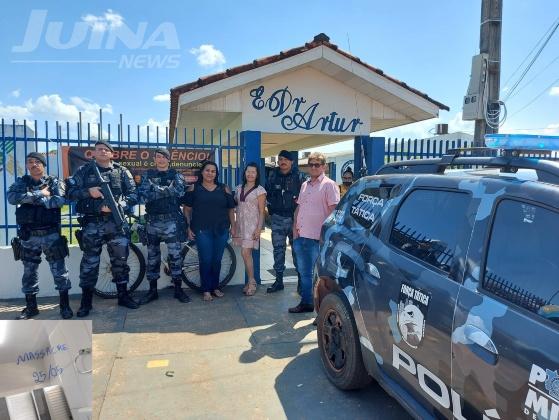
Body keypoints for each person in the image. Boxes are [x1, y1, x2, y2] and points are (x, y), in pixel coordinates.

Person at [66, 140, 139, 316]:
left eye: (106, 150)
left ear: (112, 154)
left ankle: (123, 296)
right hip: (92, 224)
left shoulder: (122, 171)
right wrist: (88, 192)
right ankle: (86, 302)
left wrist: (120, 204)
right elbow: (69, 192)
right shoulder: (84, 171)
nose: (103, 152)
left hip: (116, 223)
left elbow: (133, 194)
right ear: (94, 153)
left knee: (120, 261)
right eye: (99, 150)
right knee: (90, 263)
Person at [8, 152, 72, 320]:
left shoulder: (54, 182)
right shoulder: (22, 182)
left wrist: (30, 199)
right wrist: (40, 195)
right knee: (29, 272)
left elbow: (59, 201)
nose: (34, 165)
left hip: (51, 234)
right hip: (29, 236)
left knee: (60, 271)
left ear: (43, 165)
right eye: (30, 162)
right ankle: (31, 307)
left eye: (37, 162)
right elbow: (12, 198)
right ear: (27, 166)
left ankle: (64, 306)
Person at [137, 147, 190, 305]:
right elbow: (144, 195)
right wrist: (168, 190)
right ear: (155, 159)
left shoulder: (177, 175)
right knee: (152, 257)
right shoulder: (148, 175)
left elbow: (180, 192)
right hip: (152, 221)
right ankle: (152, 291)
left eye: (163, 157)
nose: (160, 159)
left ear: (168, 159)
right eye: (158, 157)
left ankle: (178, 290)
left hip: (171, 221)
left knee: (175, 256)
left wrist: (156, 190)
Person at [289, 152, 340, 313]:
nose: (313, 167)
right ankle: (307, 303)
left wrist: (326, 238)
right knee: (304, 274)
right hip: (301, 237)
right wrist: (294, 231)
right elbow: (299, 208)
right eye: (311, 164)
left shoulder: (329, 185)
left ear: (324, 166)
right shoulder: (305, 185)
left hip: (318, 240)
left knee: (321, 278)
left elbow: (334, 214)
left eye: (317, 164)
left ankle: (322, 313)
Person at [183, 161, 236, 302]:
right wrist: (188, 227)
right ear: (202, 172)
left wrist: (234, 226)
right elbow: (187, 209)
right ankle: (206, 290)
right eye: (207, 170)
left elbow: (231, 209)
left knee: (217, 260)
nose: (210, 173)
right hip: (202, 230)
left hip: (221, 229)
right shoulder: (193, 189)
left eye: (213, 171)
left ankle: (215, 287)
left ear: (216, 174)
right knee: (205, 260)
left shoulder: (224, 188)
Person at [265, 150, 306, 293]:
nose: (282, 162)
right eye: (280, 159)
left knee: (297, 252)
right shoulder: (272, 176)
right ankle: (279, 281)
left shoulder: (300, 176)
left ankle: (301, 282)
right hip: (277, 219)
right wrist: (271, 212)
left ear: (291, 162)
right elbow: (267, 194)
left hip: (295, 220)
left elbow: (305, 199)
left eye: (285, 160)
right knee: (278, 251)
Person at [233, 163, 267, 296]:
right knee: (246, 254)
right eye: (248, 171)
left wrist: (259, 229)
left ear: (257, 174)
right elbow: (234, 205)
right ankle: (249, 281)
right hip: (241, 225)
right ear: (245, 173)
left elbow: (262, 211)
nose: (250, 174)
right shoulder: (238, 188)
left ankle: (252, 281)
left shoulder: (260, 190)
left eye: (253, 172)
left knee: (245, 253)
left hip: (252, 226)